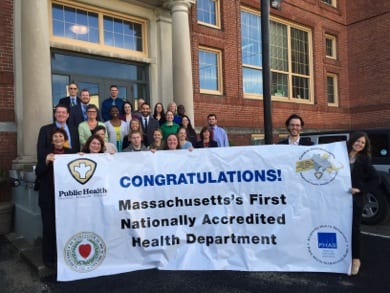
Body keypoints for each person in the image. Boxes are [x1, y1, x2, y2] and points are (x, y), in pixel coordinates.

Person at [35, 128, 73, 268]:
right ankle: (49, 259)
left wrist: (81, 156)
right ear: (52, 140)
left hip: (65, 198)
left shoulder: (70, 153)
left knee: (65, 227)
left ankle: (64, 256)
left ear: (65, 139)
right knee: (49, 228)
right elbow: (38, 172)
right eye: (55, 136)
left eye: (61, 136)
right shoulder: (45, 153)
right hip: (48, 197)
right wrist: (45, 161)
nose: (58, 139)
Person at [348, 131, 379, 275]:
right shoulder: (339, 155)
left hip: (354, 200)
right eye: (358, 141)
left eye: (363, 143)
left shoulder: (364, 160)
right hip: (335, 200)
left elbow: (375, 180)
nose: (359, 144)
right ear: (352, 140)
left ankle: (356, 260)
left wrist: (360, 189)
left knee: (354, 229)